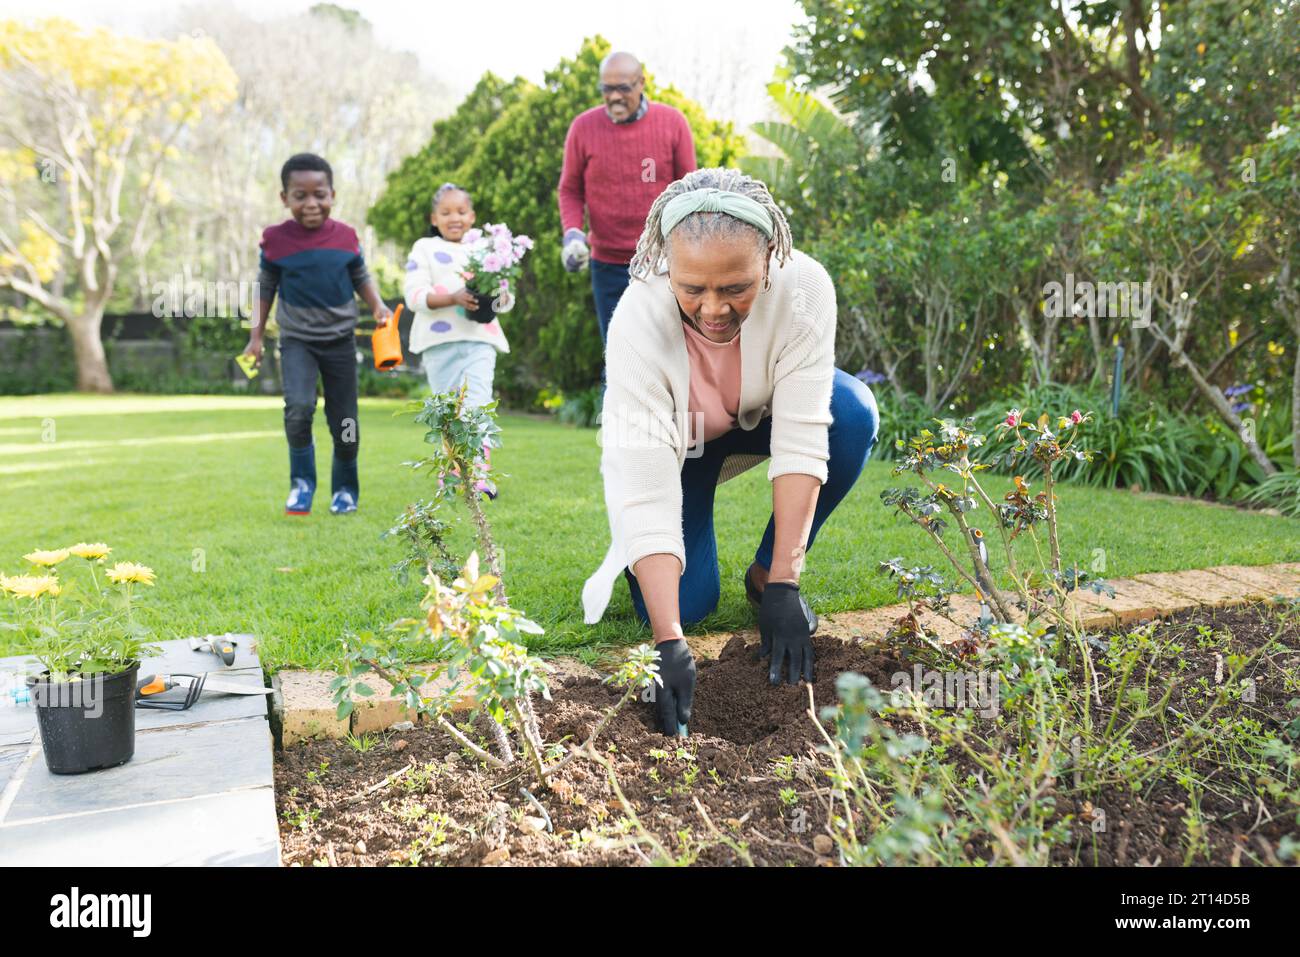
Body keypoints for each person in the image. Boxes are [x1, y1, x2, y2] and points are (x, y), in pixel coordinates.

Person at [581, 168, 880, 738]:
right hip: (682, 445)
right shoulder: (637, 322)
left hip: (762, 418)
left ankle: (764, 578)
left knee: (854, 411)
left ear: (770, 258)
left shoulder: (805, 288)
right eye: (692, 289)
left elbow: (803, 436)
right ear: (668, 267)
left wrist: (787, 582)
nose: (713, 309)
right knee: (687, 607)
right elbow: (644, 480)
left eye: (734, 288)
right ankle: (645, 562)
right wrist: (669, 641)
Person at [244, 153, 391, 516]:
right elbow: (265, 287)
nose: (311, 204)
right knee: (298, 409)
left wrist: (378, 306)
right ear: (285, 198)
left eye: (319, 194)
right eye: (300, 195)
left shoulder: (346, 236)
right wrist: (255, 337)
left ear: (332, 195)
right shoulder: (275, 240)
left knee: (345, 421)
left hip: (340, 340)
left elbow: (360, 276)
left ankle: (345, 490)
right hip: (297, 341)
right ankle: (302, 485)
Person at [557, 51, 697, 344]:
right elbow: (570, 189)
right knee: (619, 353)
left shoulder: (672, 122)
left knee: (669, 350)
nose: (614, 97)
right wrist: (572, 234)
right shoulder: (583, 128)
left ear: (641, 83)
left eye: (623, 88)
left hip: (662, 262)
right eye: (607, 89)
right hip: (607, 265)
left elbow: (689, 190)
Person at [402, 182, 511, 499]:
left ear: (472, 216)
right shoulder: (423, 248)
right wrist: (452, 297)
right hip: (439, 344)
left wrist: (498, 297)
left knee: (477, 403)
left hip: (479, 339)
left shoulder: (484, 249)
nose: (455, 218)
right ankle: (452, 473)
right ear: (434, 218)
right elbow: (414, 295)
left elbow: (505, 296)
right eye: (446, 212)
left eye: (462, 212)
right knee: (449, 411)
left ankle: (478, 474)